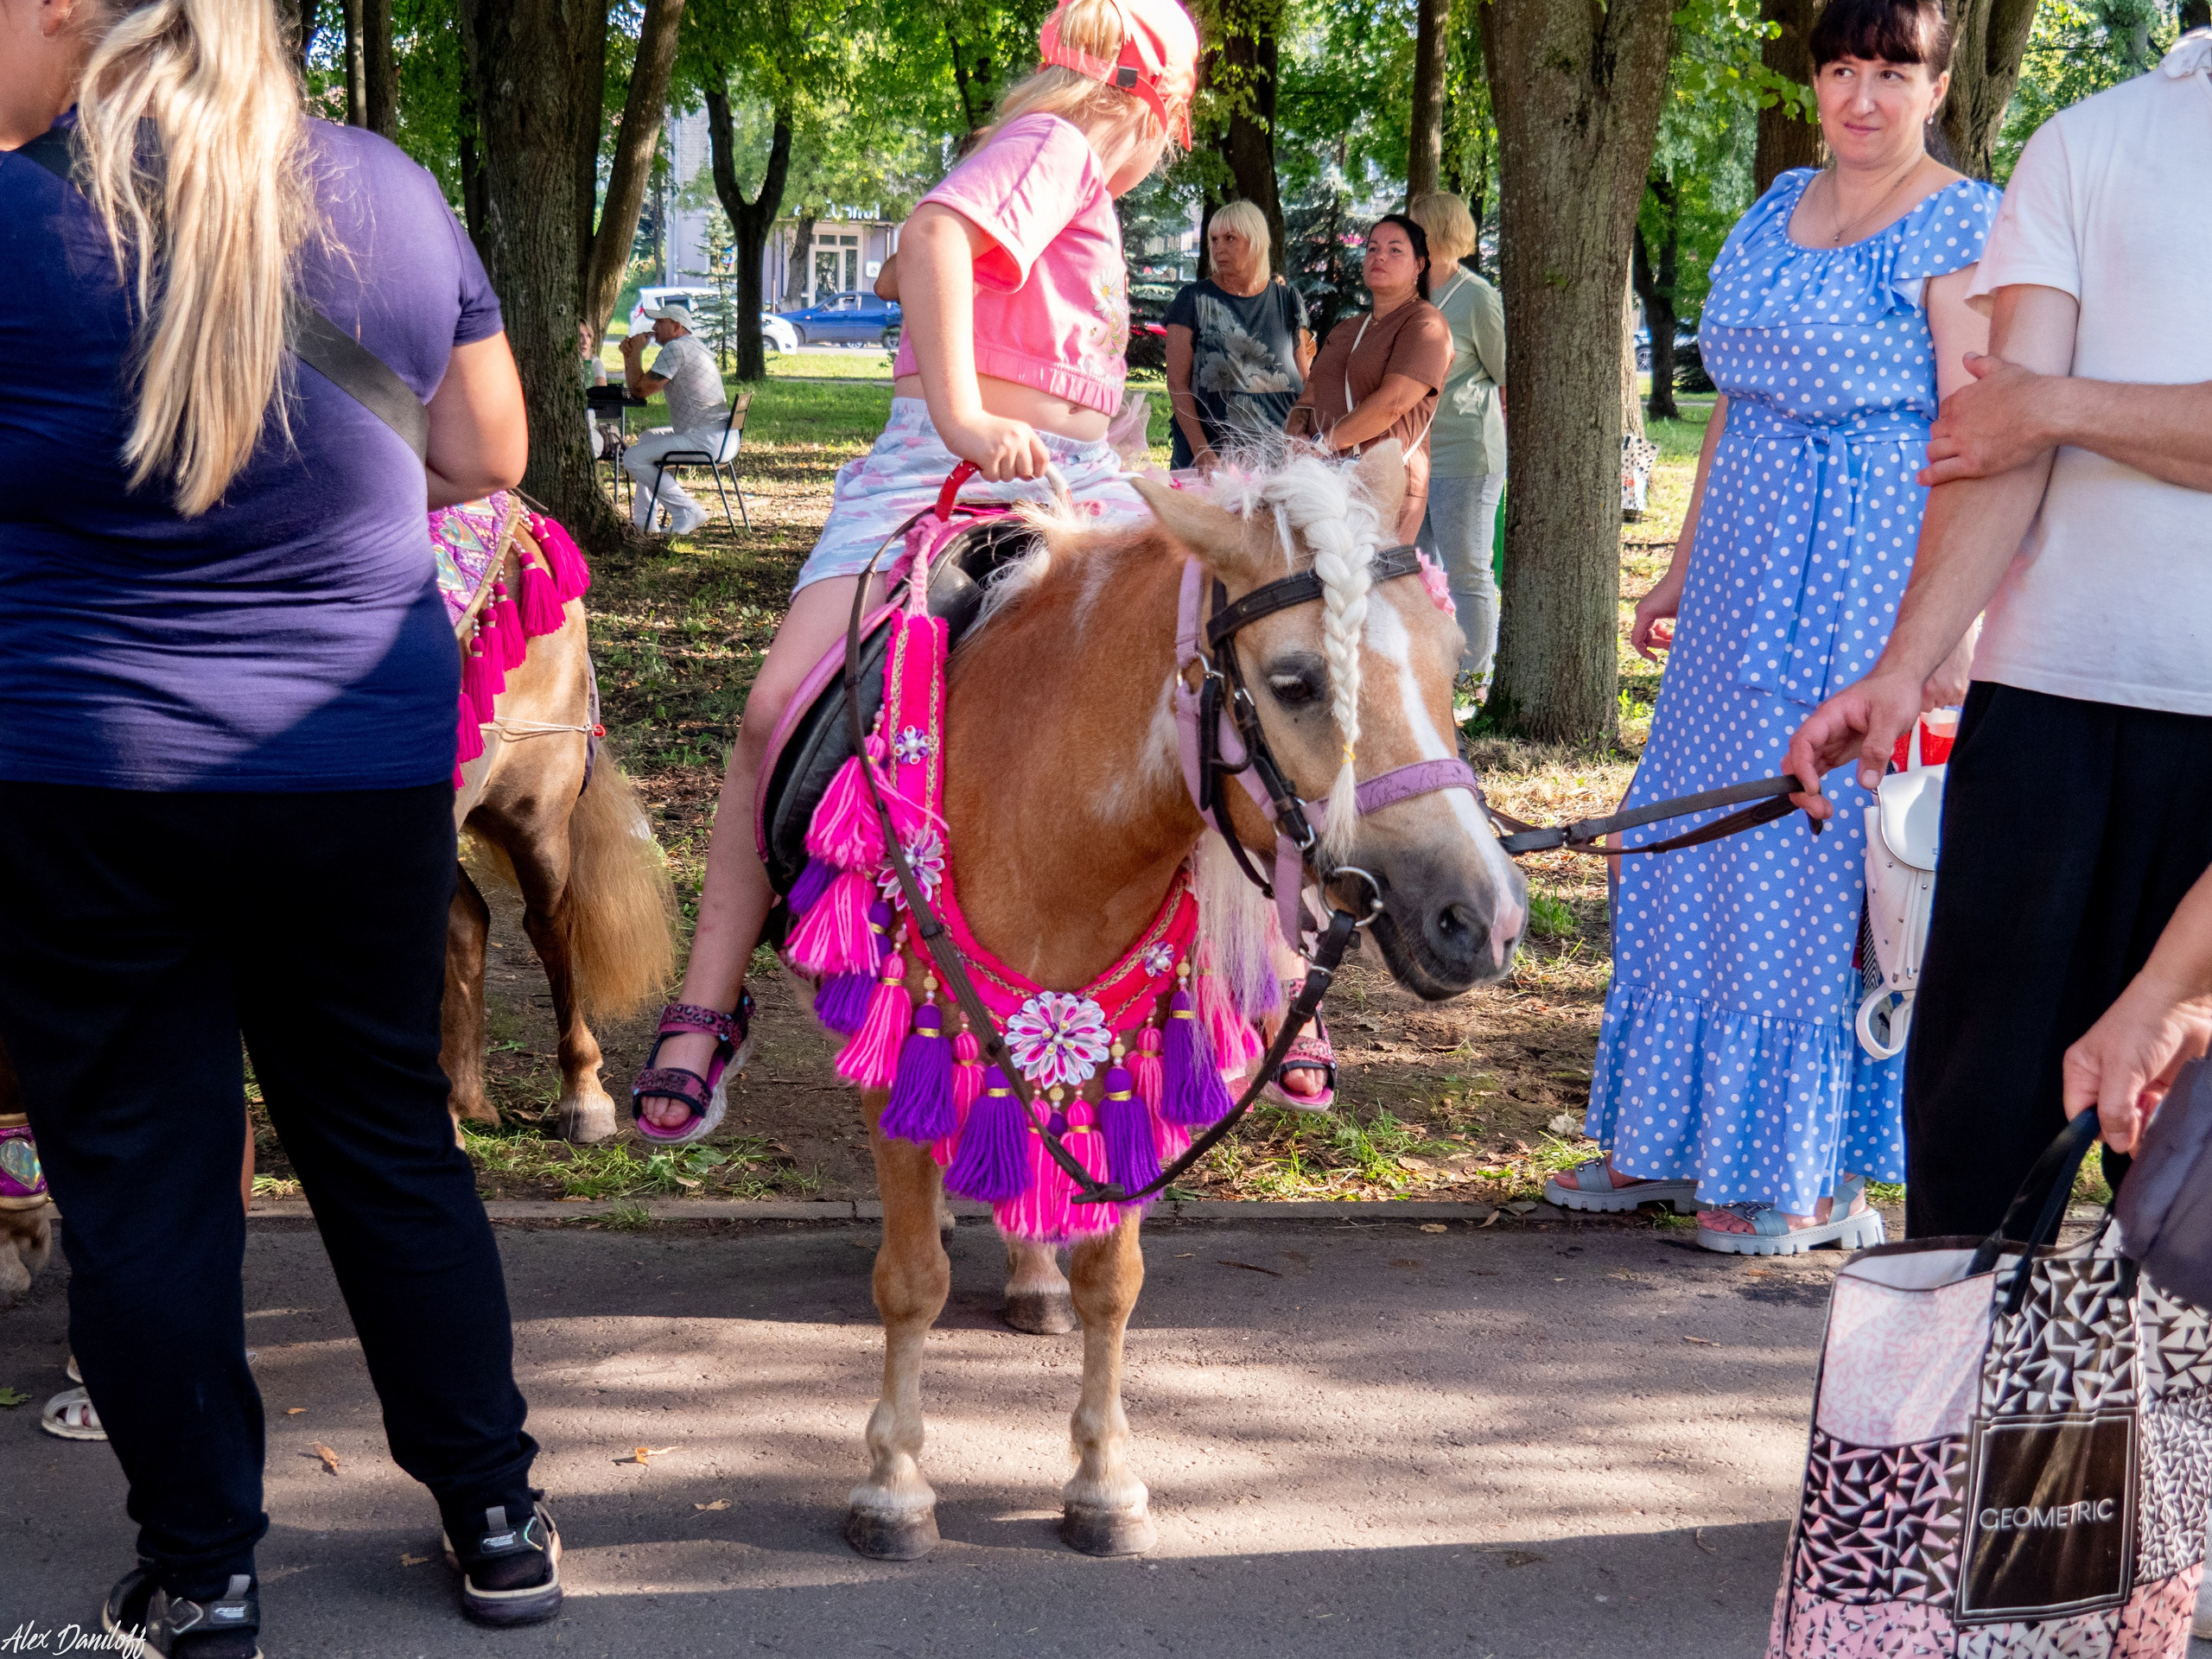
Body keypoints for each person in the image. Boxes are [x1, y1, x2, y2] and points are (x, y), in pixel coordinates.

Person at [0, 0, 565, 1642]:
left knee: (139, 1175)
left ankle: (203, 1574)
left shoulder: (17, 209)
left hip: (83, 772)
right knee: (387, 1137)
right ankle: (499, 1517)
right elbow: (489, 450)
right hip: (352, 760)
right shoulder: (386, 190)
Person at [629, 0, 1201, 1139]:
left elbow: (949, 278)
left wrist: (1096, 424)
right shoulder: (1061, 146)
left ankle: (1239, 972)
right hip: (934, 472)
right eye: (1165, 142)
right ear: (1138, 104)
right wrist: (964, 413)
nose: (1151, 168)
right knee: (771, 712)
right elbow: (938, 238)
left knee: (1200, 683)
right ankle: (707, 999)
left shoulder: (1065, 175)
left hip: (1058, 472)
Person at [1548, 0, 1999, 1254]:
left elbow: (1977, 438)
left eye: (1891, 72)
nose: (1862, 96)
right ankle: (1666, 1140)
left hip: (1868, 576)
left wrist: (1944, 632)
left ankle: (1807, 1176)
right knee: (1691, 839)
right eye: (1842, 68)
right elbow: (1737, 409)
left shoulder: (1965, 221)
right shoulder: (1772, 205)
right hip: (1741, 574)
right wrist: (1680, 571)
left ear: (1937, 85)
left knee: (1809, 866)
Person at [1784, 25, 2212, 1239]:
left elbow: (2030, 411)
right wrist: (1904, 667)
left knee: (2190, 1199)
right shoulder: (2092, 141)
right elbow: (1995, 448)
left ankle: (2174, 1434)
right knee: (1972, 1156)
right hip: (2043, 715)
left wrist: (2064, 406)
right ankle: (1939, 1430)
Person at [1285, 214, 1452, 546]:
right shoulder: (1346, 329)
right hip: (1321, 482)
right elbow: (1310, 396)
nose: (1379, 257)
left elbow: (1393, 403)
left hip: (1382, 487)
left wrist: (1321, 446)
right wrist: (1293, 441)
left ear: (1419, 265)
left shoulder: (1427, 324)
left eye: (1395, 250)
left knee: (1367, 588)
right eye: (1372, 249)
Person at [1404, 192, 1505, 695]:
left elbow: (1504, 374)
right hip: (1411, 453)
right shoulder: (1408, 293)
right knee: (1412, 564)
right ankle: (1428, 663)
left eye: (1413, 224)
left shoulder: (1477, 296)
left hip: (1467, 452)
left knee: (1467, 568)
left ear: (1436, 232)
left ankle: (1473, 677)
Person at [1164, 198, 1313, 470]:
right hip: (1212, 458)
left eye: (1230, 238)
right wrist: (1202, 452)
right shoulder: (1192, 300)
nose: (1219, 247)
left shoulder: (1289, 300)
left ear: (1255, 241)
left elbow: (1304, 379)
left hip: (1278, 457)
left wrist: (1305, 434)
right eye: (1214, 239)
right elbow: (1176, 384)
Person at [620, 301, 731, 535]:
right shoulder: (694, 347)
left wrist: (636, 352)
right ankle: (644, 522)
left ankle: (687, 510)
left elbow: (640, 390)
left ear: (677, 327)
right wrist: (630, 356)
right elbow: (639, 387)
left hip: (705, 439)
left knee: (632, 458)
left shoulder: (676, 349)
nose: (654, 326)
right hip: (722, 436)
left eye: (661, 321)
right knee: (648, 438)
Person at [581, 319, 608, 459]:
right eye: (579, 336)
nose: (584, 341)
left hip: (587, 425)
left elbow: (601, 394)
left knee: (593, 444)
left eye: (588, 336)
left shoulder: (595, 364)